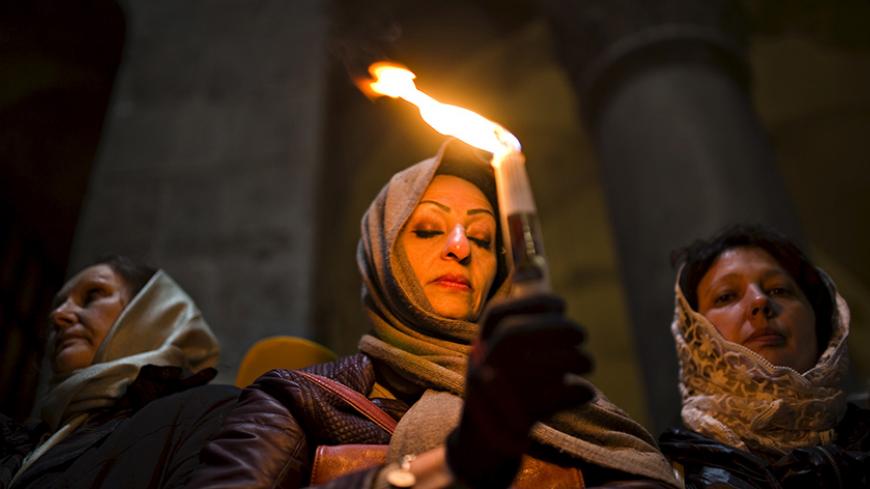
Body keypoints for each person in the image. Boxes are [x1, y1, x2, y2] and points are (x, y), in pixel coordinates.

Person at [188, 141, 679, 488]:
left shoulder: (558, 405)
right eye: (427, 229)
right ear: (384, 259)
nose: (460, 248)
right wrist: (447, 468)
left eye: (484, 238)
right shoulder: (302, 399)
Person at [0, 256, 239, 489]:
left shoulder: (209, 412)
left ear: (152, 314)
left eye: (92, 295)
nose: (58, 315)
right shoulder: (23, 440)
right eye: (58, 304)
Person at [660, 225, 870, 488]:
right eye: (726, 296)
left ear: (821, 321)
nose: (759, 301)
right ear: (694, 340)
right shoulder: (665, 475)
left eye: (780, 290)